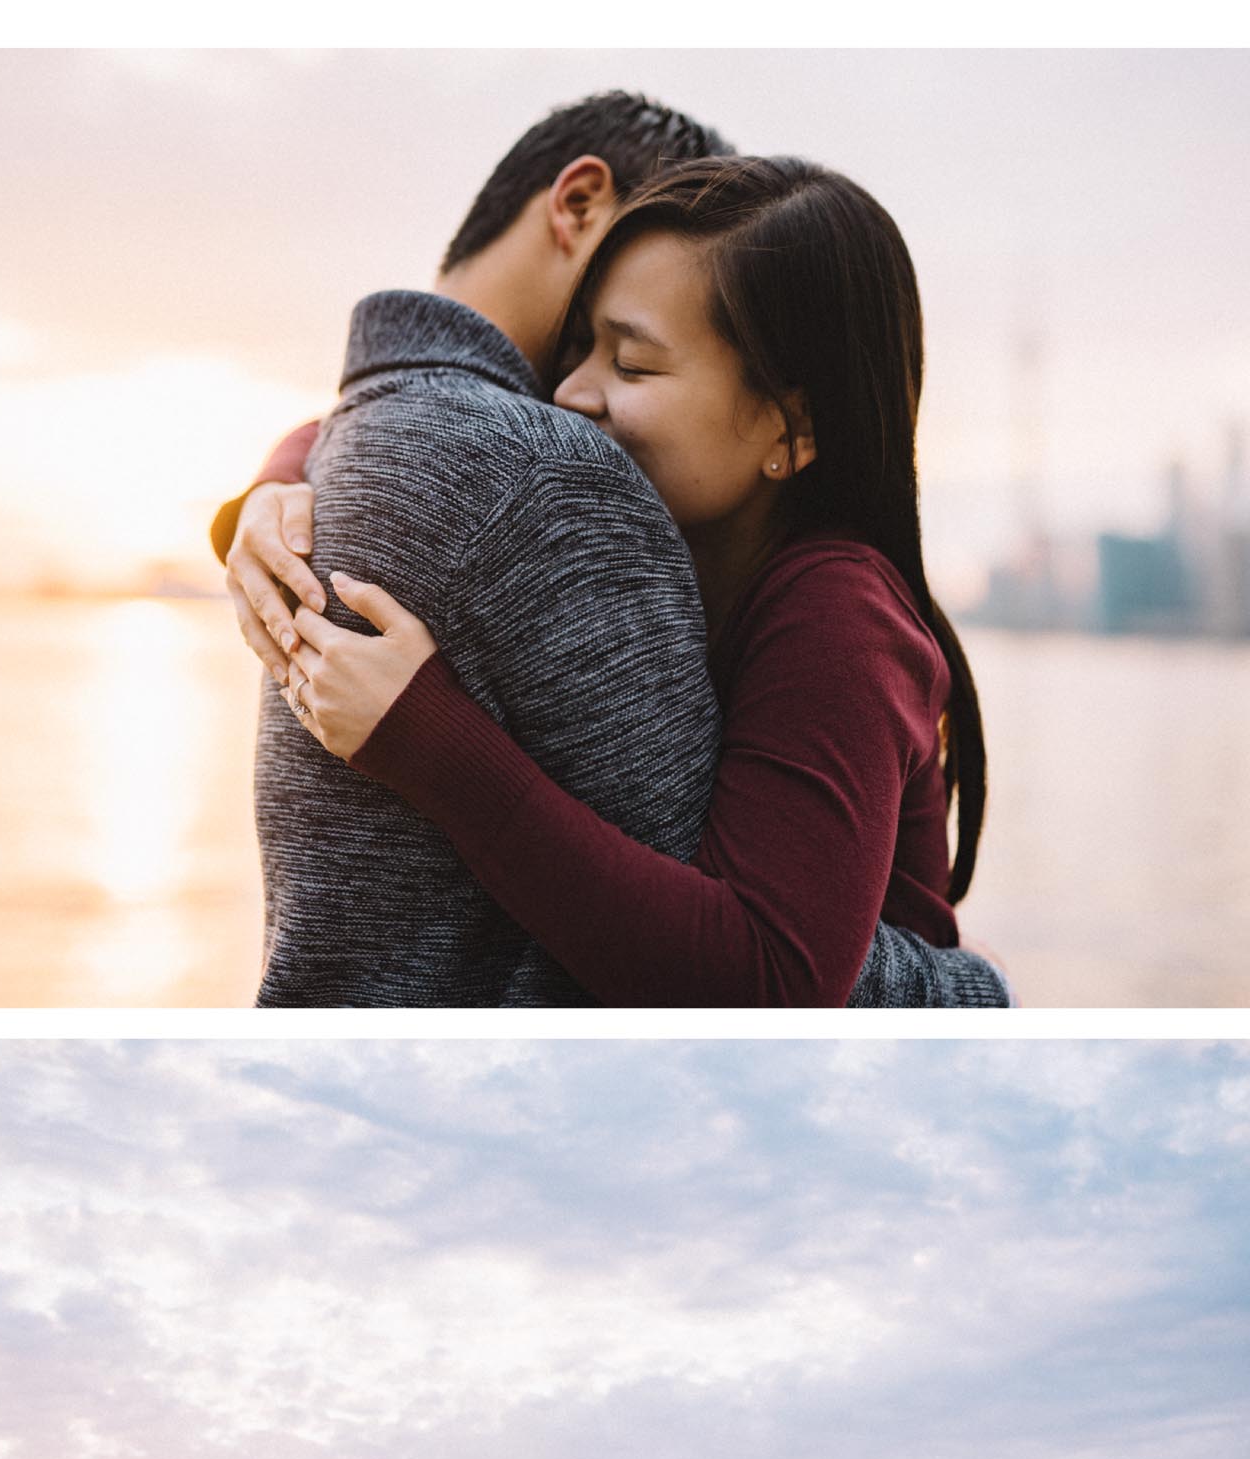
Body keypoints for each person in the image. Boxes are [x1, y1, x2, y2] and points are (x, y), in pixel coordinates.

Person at [213, 95, 1008, 1008]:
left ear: (791, 421)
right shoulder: (677, 529)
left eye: (631, 364)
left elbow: (770, 984)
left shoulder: (837, 608)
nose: (572, 393)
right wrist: (273, 488)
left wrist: (433, 745)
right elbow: (394, 427)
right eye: (580, 344)